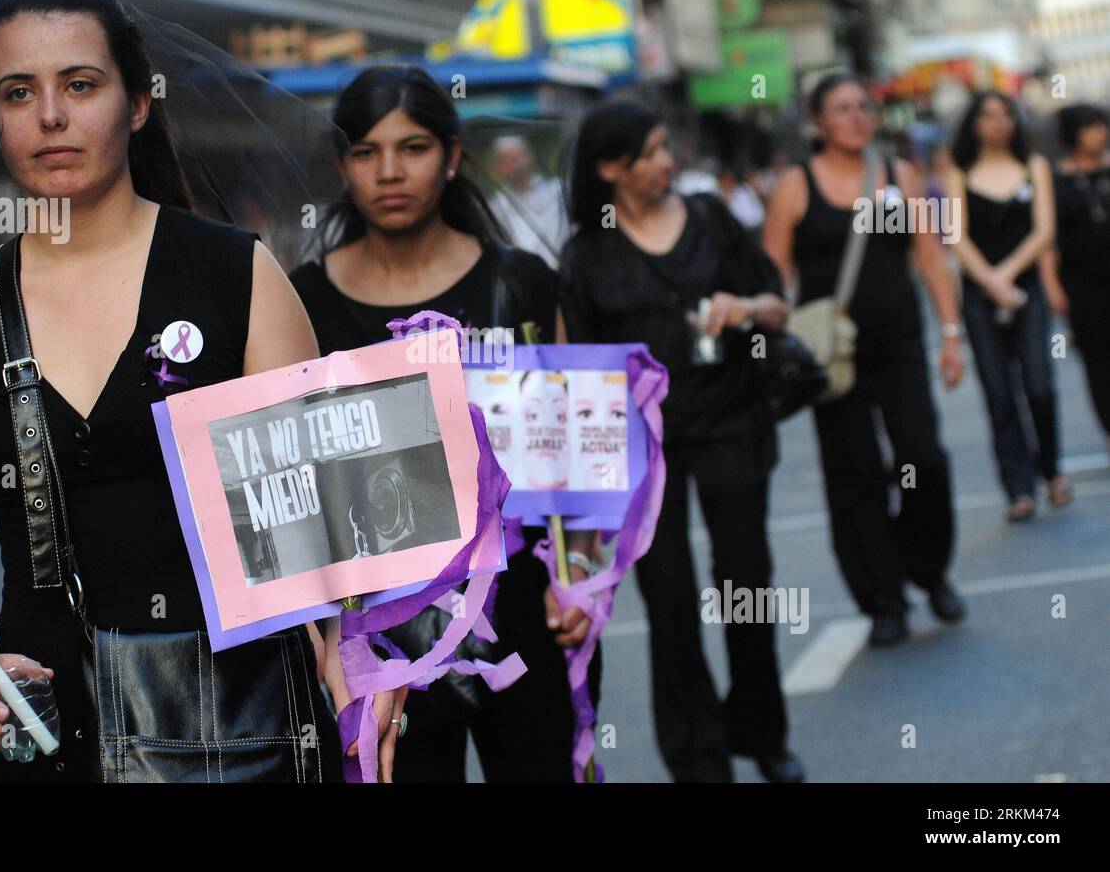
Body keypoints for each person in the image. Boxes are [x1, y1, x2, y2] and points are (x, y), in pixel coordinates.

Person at [0, 0, 402, 782]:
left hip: (245, 729)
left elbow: (326, 522)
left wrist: (359, 660)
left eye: (81, 83)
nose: (52, 115)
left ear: (137, 102)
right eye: (19, 92)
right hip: (51, 734)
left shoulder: (235, 275)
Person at [288, 64, 601, 782]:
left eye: (414, 147)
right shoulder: (301, 302)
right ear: (342, 166)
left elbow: (578, 445)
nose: (390, 171)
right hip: (377, 629)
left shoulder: (520, 281)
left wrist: (578, 570)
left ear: (453, 155)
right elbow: (292, 491)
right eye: (366, 152)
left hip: (521, 603)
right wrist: (329, 642)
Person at [561, 98, 801, 783]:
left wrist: (745, 308)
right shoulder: (586, 253)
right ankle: (698, 758)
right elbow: (580, 372)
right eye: (653, 152)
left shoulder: (711, 219)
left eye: (668, 147)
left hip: (731, 420)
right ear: (611, 168)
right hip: (644, 451)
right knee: (670, 604)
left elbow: (777, 301)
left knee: (747, 584)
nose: (670, 162)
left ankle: (762, 729)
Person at [762, 73, 966, 647]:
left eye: (864, 107)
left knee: (921, 456)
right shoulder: (794, 187)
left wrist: (951, 335)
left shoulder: (901, 177)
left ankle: (929, 569)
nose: (856, 118)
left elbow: (930, 259)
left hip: (899, 342)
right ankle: (884, 600)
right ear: (819, 123)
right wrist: (770, 348)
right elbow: (774, 277)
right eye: (842, 109)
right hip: (832, 354)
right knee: (854, 474)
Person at [945, 90, 1069, 520]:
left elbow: (1044, 231)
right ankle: (1018, 488)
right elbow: (955, 236)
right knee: (999, 394)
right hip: (981, 296)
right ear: (974, 123)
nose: (999, 123)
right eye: (988, 116)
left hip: (1028, 290)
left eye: (1006, 115)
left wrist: (1010, 274)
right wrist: (991, 281)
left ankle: (1052, 470)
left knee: (1039, 384)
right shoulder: (959, 171)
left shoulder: (1034, 166)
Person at [1044, 103, 1110, 448]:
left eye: (1101, 125)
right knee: (1099, 362)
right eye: (1090, 127)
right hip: (1083, 285)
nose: (1099, 133)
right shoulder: (1055, 182)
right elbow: (1047, 240)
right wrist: (1053, 286)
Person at [486, 135, 570, 268]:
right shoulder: (496, 207)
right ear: (498, 167)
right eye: (509, 161)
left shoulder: (558, 191)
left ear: (528, 157)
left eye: (518, 158)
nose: (517, 165)